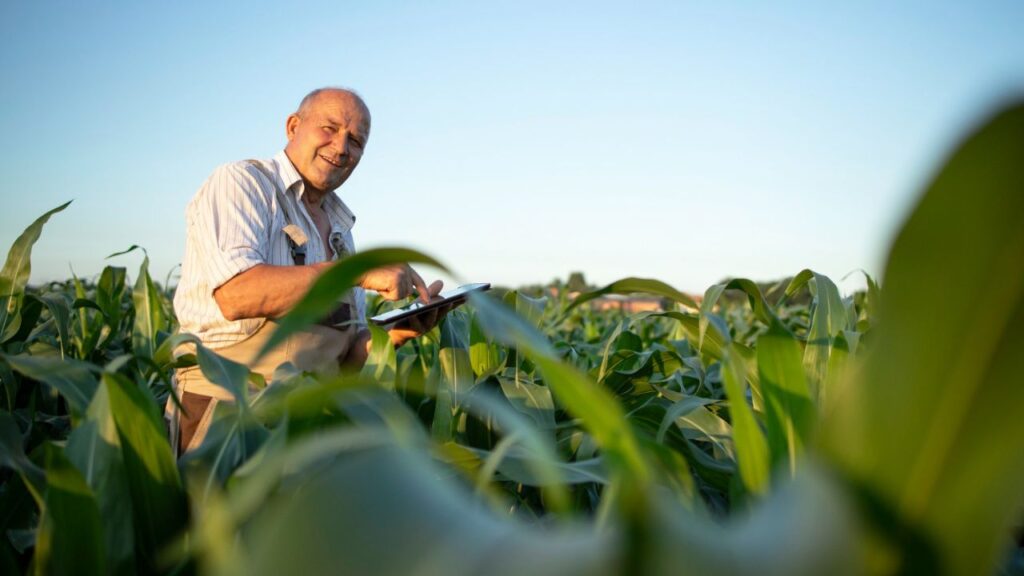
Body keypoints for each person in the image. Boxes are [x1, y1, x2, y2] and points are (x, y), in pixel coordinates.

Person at [169, 87, 444, 454]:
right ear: (293, 126)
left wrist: (391, 336)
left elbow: (343, 361)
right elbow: (237, 294)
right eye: (329, 128)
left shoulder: (341, 229)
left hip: (307, 423)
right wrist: (354, 273)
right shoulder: (243, 184)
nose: (342, 147)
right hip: (230, 414)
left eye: (356, 141)